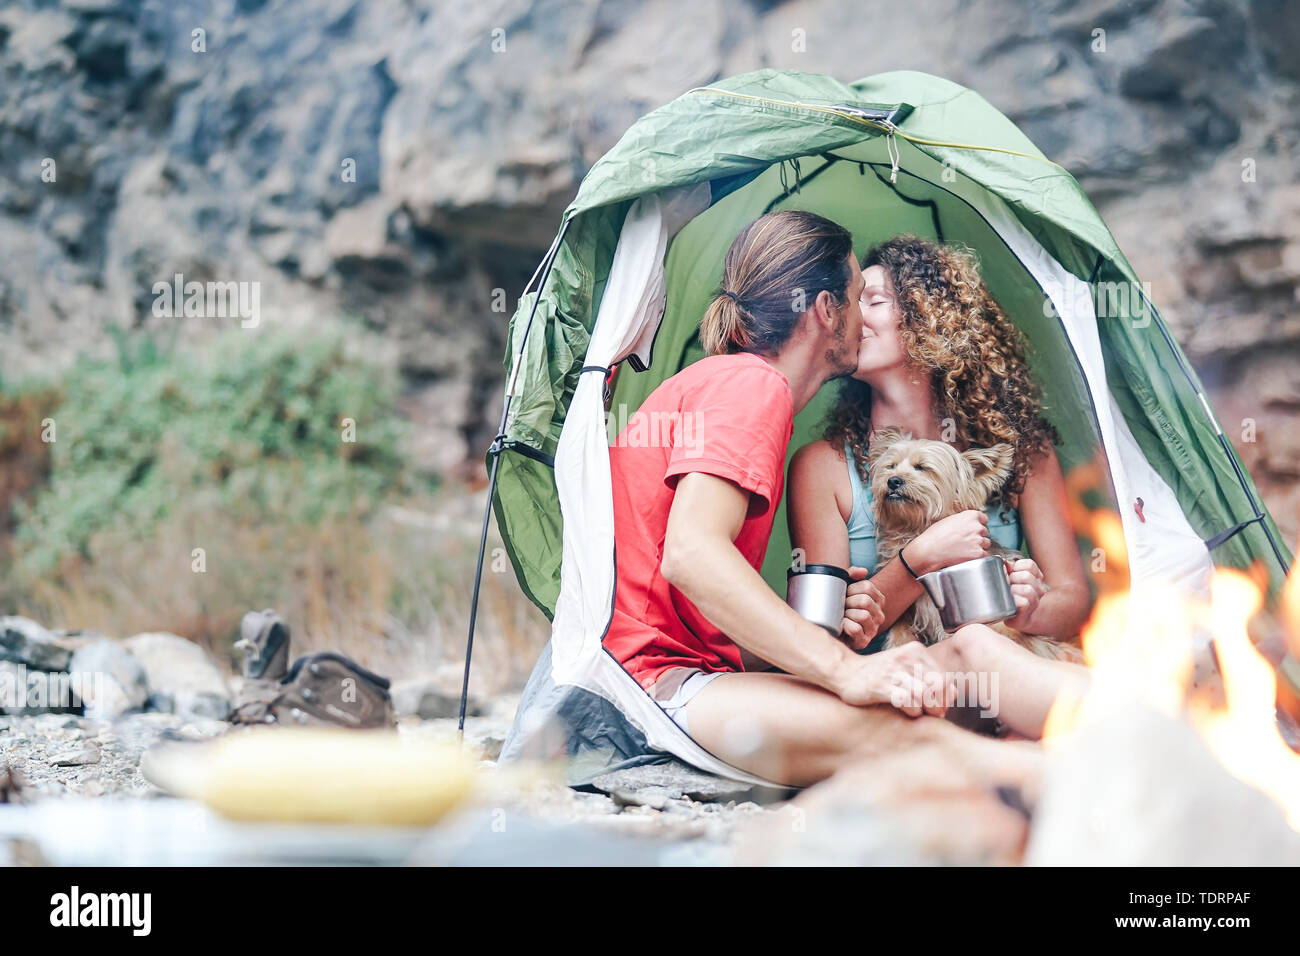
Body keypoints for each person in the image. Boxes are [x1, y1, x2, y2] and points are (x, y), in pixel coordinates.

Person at [601, 212, 1077, 789]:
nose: (862, 316)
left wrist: (830, 630)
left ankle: (1148, 724)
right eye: (857, 297)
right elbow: (691, 554)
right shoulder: (751, 386)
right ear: (827, 311)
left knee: (960, 657)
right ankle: (1123, 769)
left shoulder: (737, 384)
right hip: (656, 686)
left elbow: (688, 598)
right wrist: (844, 669)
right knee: (913, 732)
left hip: (699, 671)